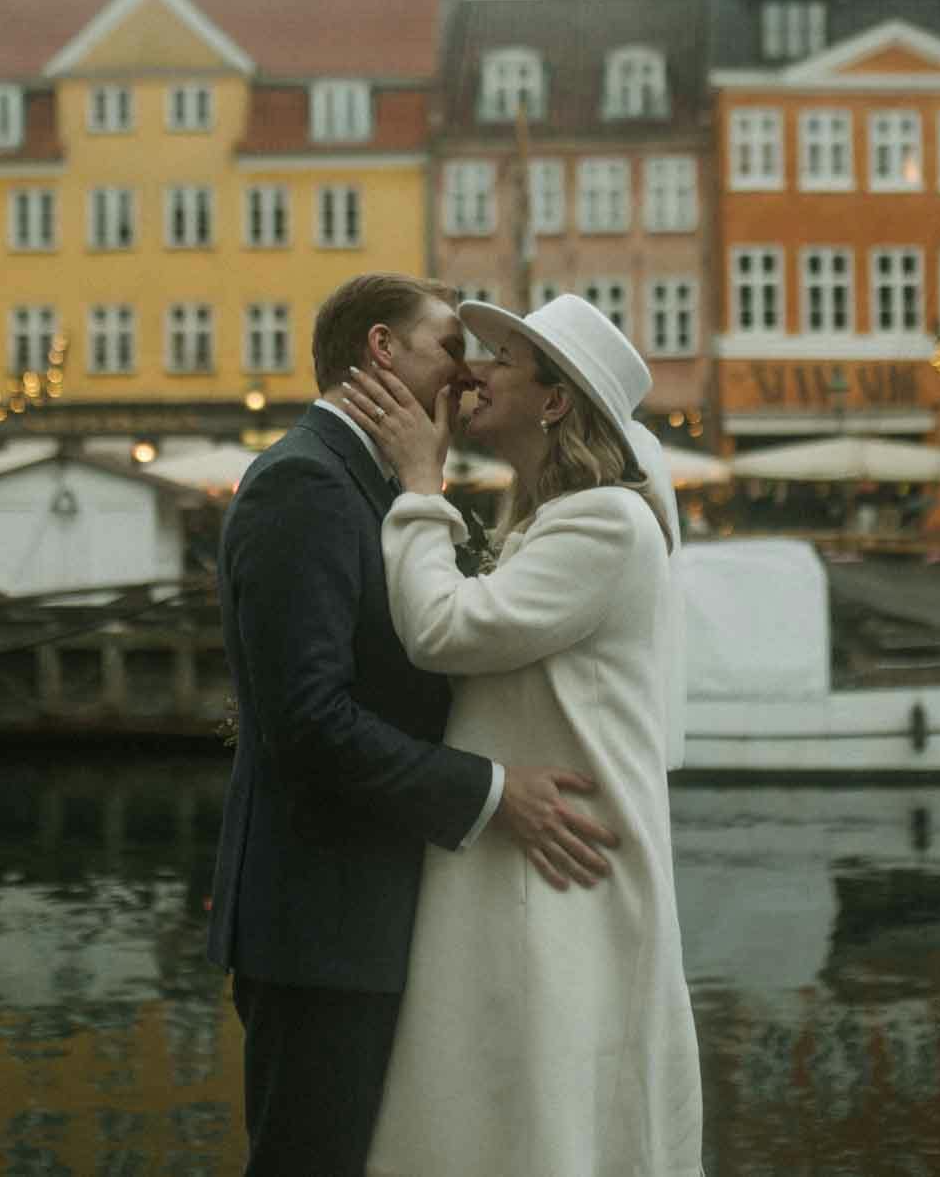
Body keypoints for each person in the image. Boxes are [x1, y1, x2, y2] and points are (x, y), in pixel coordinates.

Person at [205, 273, 622, 1177]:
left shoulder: (370, 480)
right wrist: (493, 792)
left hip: (366, 916)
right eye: (450, 348)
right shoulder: (305, 483)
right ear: (382, 350)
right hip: (323, 925)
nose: (468, 375)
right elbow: (308, 721)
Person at [340, 293, 706, 1177]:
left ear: (555, 399)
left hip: (562, 872)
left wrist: (420, 488)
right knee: (520, 1099)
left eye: (503, 359)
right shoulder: (555, 520)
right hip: (537, 856)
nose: (475, 372)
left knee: (542, 1101)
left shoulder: (605, 521)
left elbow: (444, 629)